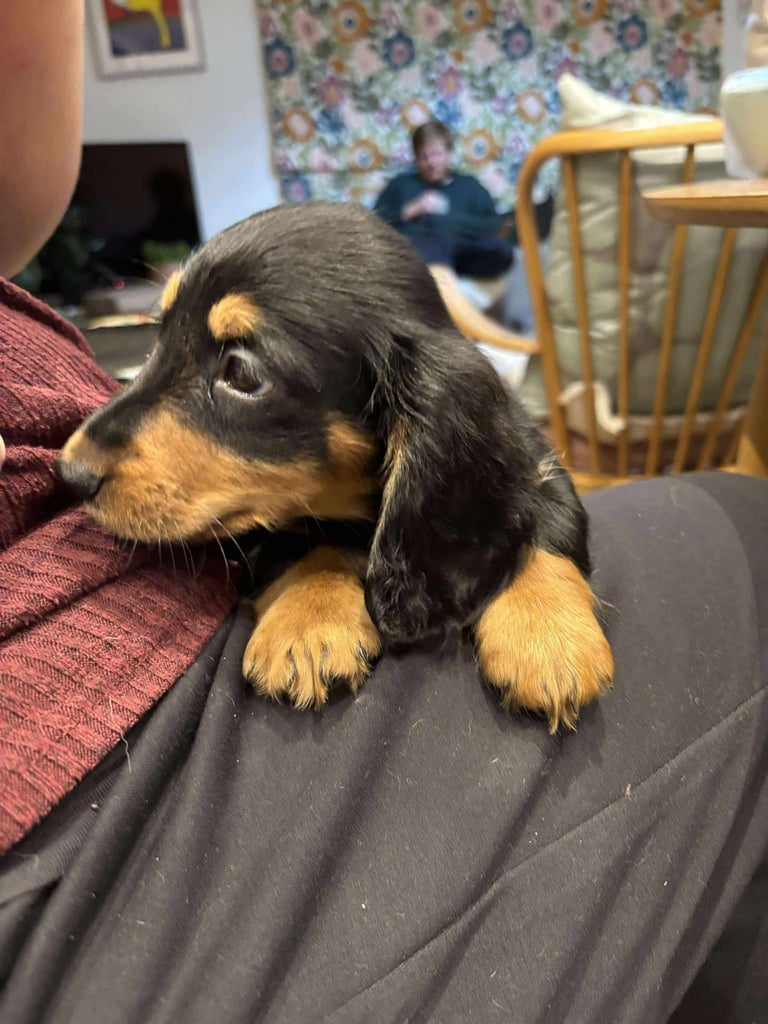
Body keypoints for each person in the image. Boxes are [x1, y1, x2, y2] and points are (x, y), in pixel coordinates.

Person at [0, 7, 767, 1023]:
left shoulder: (457, 439)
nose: (87, 454)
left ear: (406, 424)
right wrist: (312, 573)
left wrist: (541, 571)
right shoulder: (276, 487)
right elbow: (276, 535)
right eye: (164, 337)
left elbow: (528, 483)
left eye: (236, 370)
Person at [374, 120, 515, 278]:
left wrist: (444, 219)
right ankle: (438, 278)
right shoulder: (400, 185)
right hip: (417, 251)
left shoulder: (469, 186)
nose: (431, 163)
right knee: (423, 248)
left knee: (503, 250)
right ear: (416, 158)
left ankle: (447, 275)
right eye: (423, 157)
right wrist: (408, 212)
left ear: (448, 153)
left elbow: (491, 225)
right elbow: (374, 225)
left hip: (463, 249)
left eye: (436, 154)